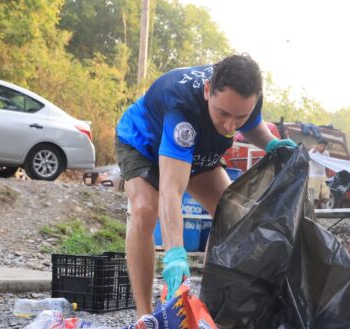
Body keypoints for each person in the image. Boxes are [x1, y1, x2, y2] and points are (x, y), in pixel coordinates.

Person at [115, 54, 296, 315]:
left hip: (198, 149)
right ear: (208, 90)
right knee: (146, 210)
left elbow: (253, 126)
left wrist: (270, 143)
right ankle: (144, 315)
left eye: (239, 117)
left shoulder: (248, 97)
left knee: (230, 213)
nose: (229, 126)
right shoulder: (181, 107)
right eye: (223, 113)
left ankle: (208, 309)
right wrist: (175, 253)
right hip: (143, 143)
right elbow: (171, 191)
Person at [308, 138, 331, 207]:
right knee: (314, 197)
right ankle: (313, 209)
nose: (323, 148)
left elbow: (327, 165)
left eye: (324, 146)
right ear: (318, 145)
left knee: (326, 196)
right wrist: (315, 150)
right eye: (321, 145)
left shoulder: (326, 153)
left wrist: (328, 177)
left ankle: (319, 204)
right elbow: (308, 159)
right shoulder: (312, 152)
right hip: (313, 176)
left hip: (323, 176)